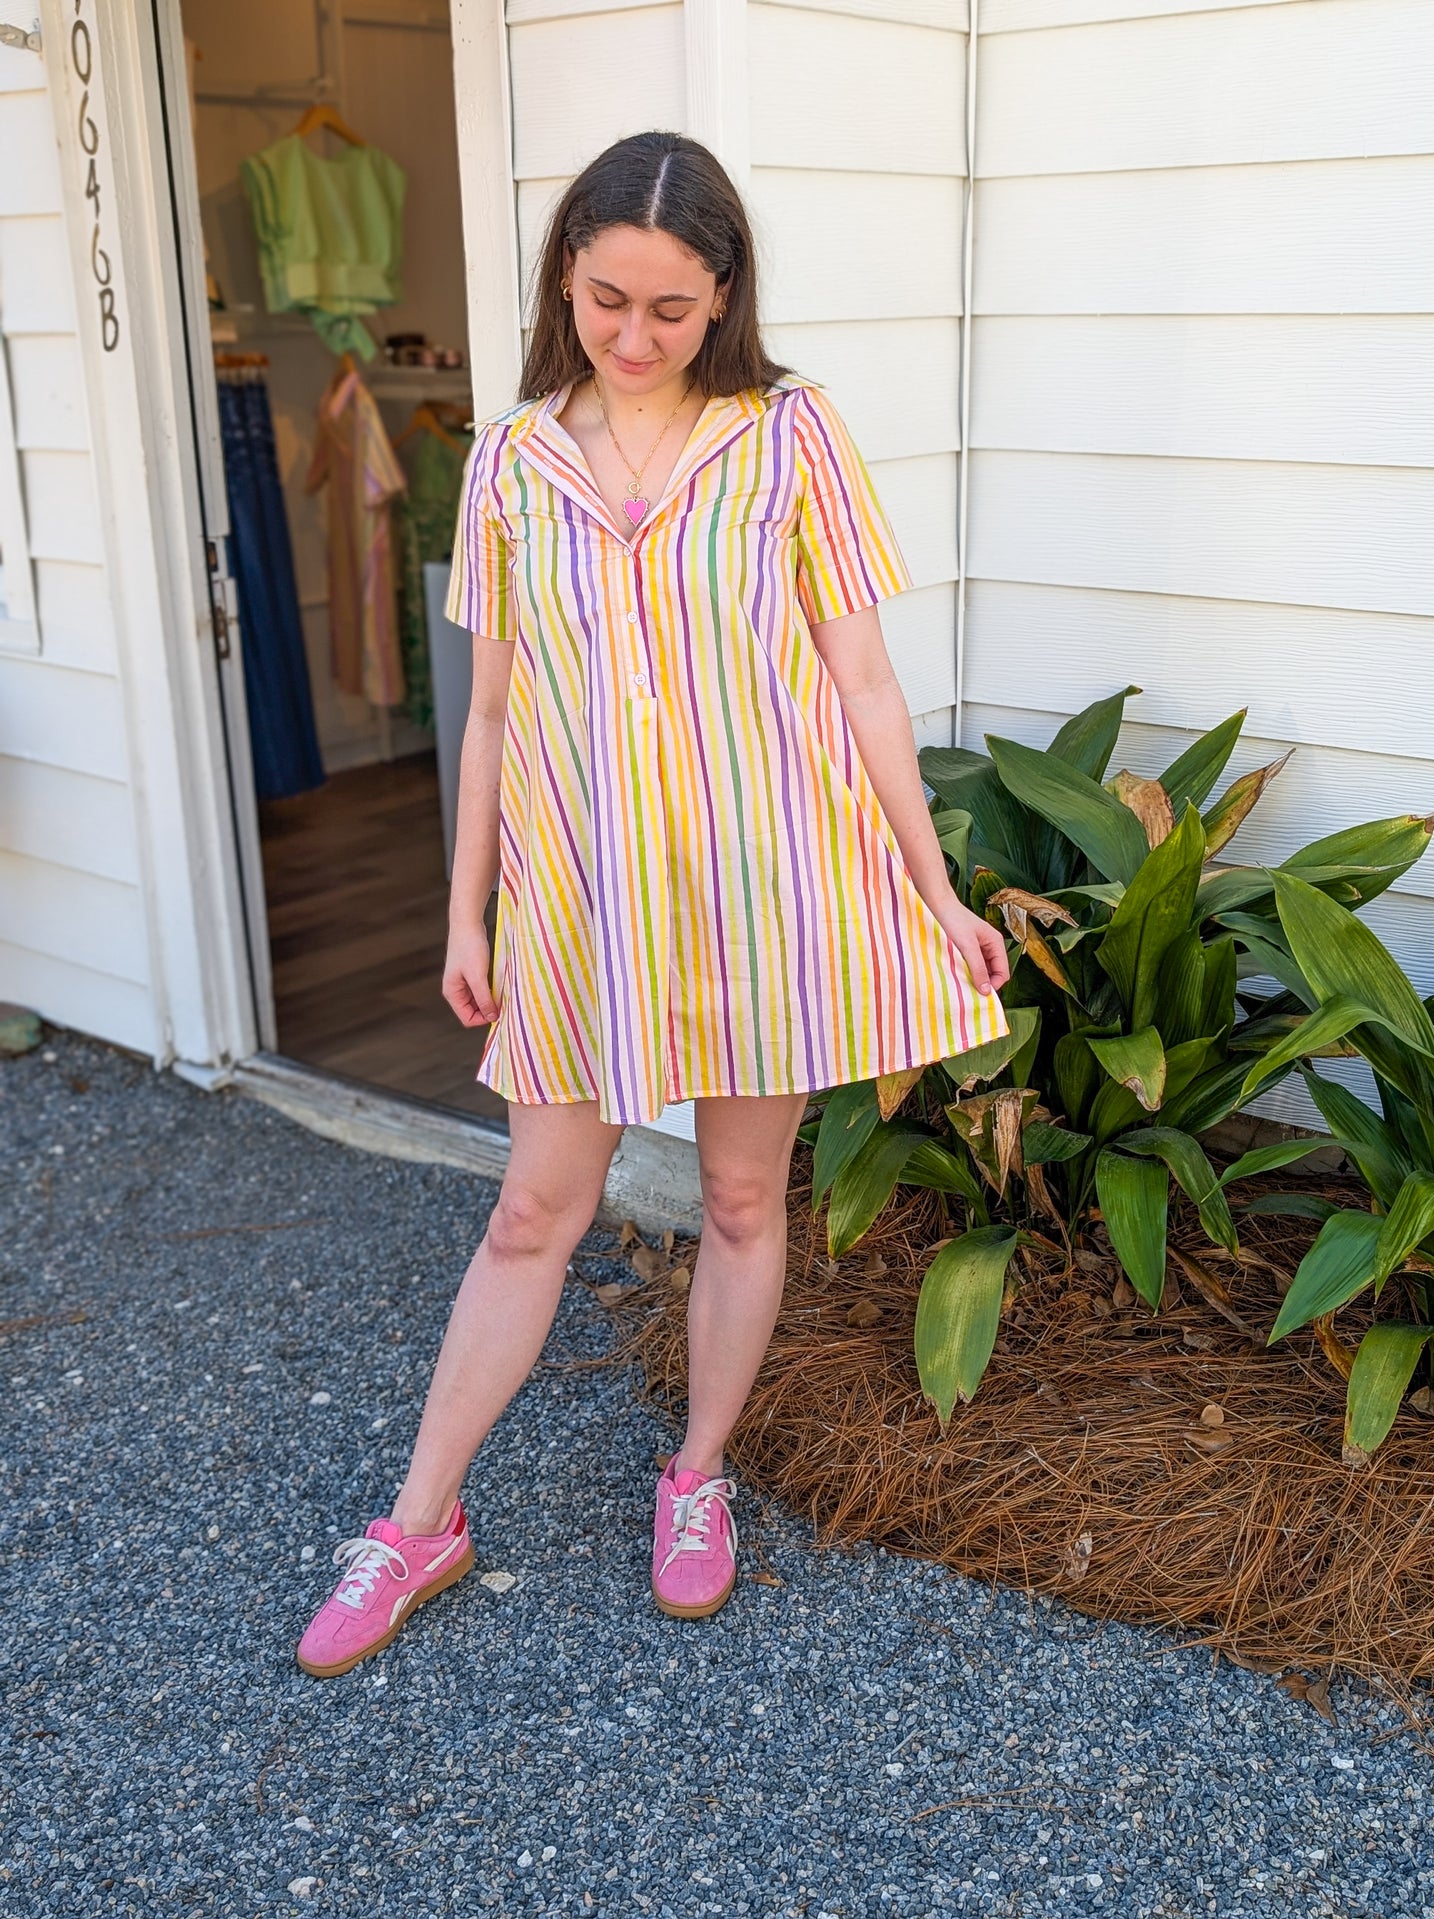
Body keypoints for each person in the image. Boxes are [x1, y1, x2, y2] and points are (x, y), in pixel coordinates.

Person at [296, 130, 1010, 1679]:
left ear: (723, 298)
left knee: (744, 1202)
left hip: (766, 893)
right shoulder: (504, 463)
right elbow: (490, 713)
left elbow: (864, 681)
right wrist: (464, 913)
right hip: (577, 906)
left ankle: (697, 1477)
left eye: (671, 310)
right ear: (568, 272)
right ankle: (421, 1517)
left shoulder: (789, 436)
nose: (632, 335)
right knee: (530, 1213)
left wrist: (932, 886)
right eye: (608, 297)